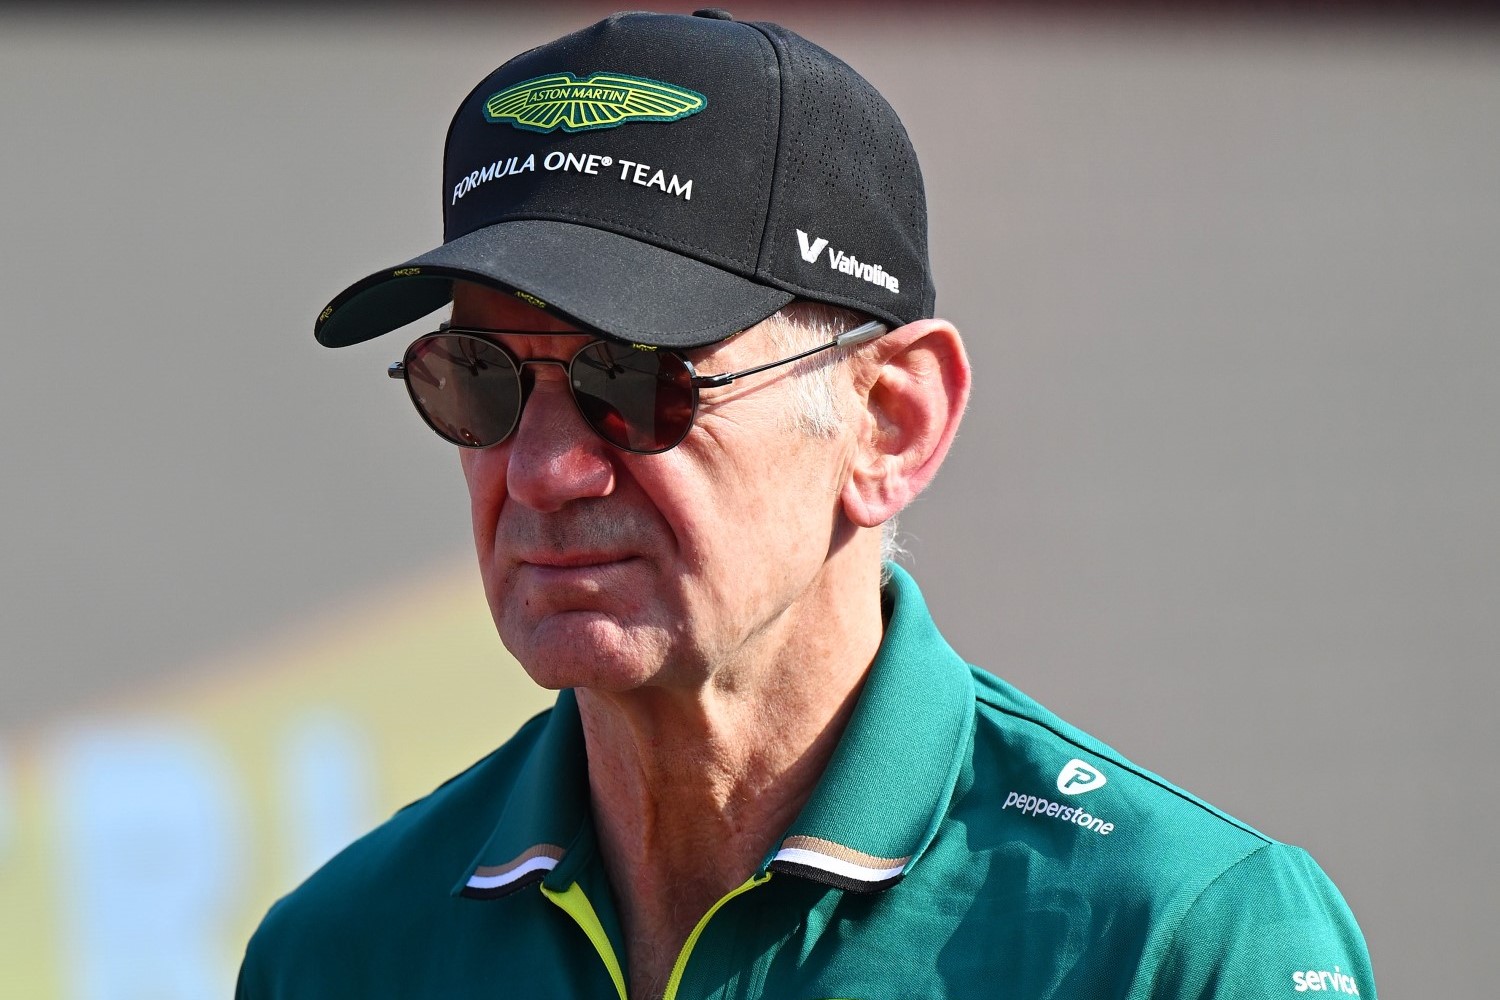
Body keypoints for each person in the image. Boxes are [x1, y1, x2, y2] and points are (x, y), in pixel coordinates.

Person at [239, 9, 1376, 999]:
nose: (542, 470)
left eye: (634, 379)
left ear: (894, 423)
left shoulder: (1179, 936)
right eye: (479, 378)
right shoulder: (341, 952)